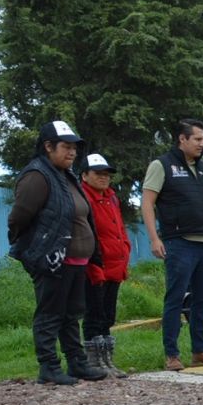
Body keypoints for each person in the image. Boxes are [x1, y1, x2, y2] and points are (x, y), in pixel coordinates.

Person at [7, 121, 107, 385]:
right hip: (52, 260)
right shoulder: (37, 176)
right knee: (50, 314)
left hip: (76, 260)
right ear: (48, 146)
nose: (72, 152)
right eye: (66, 147)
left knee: (71, 313)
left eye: (75, 148)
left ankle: (77, 363)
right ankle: (49, 366)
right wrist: (35, 250)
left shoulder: (66, 175)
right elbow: (19, 217)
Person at [141, 119, 203, 371]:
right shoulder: (162, 165)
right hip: (178, 242)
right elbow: (147, 203)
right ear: (182, 139)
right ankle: (172, 354)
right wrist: (154, 238)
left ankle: (200, 351)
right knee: (176, 298)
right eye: (197, 139)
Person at [79, 153, 131, 378]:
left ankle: (107, 361)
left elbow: (118, 227)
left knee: (108, 315)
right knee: (94, 314)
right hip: (95, 266)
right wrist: (93, 262)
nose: (103, 178)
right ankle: (93, 362)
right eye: (97, 173)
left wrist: (126, 249)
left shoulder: (112, 198)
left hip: (115, 265)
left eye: (106, 174)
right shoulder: (83, 197)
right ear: (84, 175)